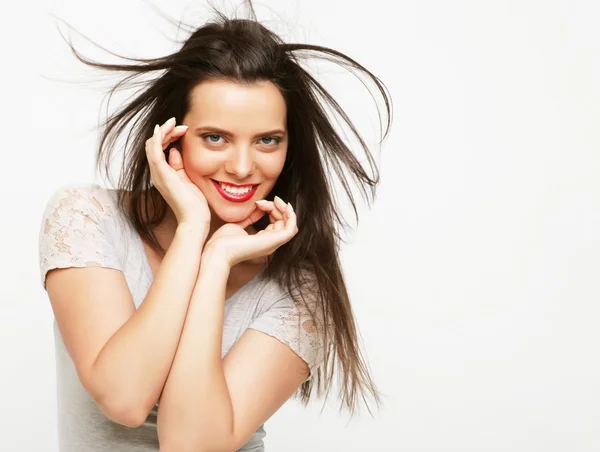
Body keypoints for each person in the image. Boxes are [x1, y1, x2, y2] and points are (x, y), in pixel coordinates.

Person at [38, 3, 392, 451]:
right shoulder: (87, 218)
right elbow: (124, 397)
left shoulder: (299, 290)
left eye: (267, 140)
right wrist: (191, 233)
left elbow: (190, 446)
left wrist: (216, 262)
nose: (243, 167)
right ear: (171, 136)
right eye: (215, 137)